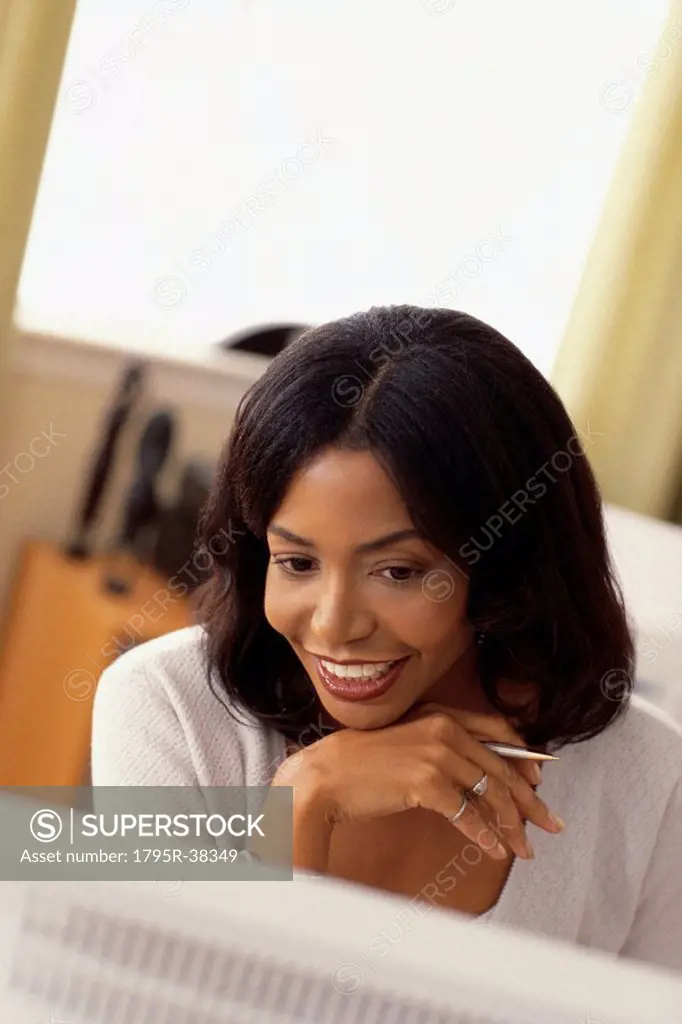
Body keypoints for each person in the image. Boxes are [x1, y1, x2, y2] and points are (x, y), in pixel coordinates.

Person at [91, 305, 682, 970]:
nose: (334, 624)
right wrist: (306, 800)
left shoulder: (647, 778)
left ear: (505, 567)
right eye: (297, 563)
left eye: (398, 571)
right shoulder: (168, 710)